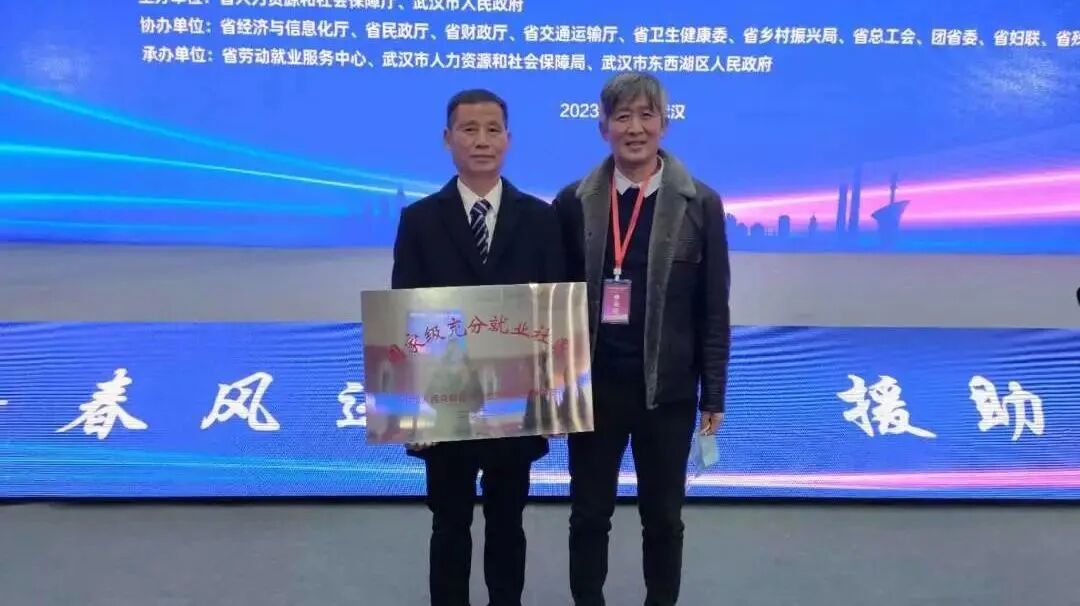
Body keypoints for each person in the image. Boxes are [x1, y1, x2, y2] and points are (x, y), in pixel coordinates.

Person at [552, 72, 732, 606]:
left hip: (667, 391)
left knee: (664, 518)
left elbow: (713, 306)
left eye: (646, 115)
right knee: (589, 515)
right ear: (603, 127)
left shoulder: (700, 202)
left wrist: (714, 394)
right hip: (595, 390)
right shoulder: (573, 202)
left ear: (664, 125)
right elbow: (554, 303)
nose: (635, 128)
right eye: (623, 116)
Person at [391, 88, 566, 606]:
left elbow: (553, 315)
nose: (482, 140)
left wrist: (555, 401)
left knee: (507, 523)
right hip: (446, 404)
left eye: (493, 130)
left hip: (515, 404)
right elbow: (406, 315)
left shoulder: (541, 219)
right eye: (469, 129)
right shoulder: (420, 220)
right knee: (449, 525)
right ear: (448, 139)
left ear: (509, 139)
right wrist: (413, 415)